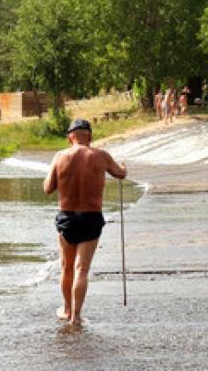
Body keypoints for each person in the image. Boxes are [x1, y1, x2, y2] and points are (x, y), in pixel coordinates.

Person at [44, 119, 127, 326]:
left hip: (67, 217)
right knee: (82, 269)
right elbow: (121, 173)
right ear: (89, 137)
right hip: (91, 217)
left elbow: (47, 188)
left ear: (70, 137)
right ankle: (76, 317)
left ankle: (66, 309)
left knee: (67, 267)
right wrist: (124, 166)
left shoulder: (60, 156)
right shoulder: (101, 156)